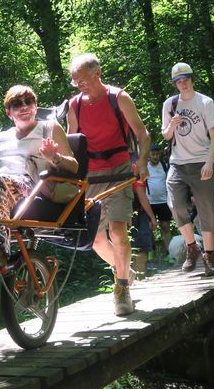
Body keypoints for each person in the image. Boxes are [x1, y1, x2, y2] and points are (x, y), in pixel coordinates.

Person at [0, 85, 78, 277]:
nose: (24, 107)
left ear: (35, 107)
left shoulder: (48, 128)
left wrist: (54, 156)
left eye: (29, 102)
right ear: (9, 113)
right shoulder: (1, 137)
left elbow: (74, 166)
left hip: (31, 185)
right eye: (17, 104)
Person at [67, 53, 150, 316]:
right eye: (76, 83)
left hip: (119, 170)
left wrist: (144, 162)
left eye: (83, 81)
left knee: (117, 231)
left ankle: (122, 287)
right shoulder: (74, 105)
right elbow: (71, 144)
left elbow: (142, 134)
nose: (80, 86)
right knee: (94, 239)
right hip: (90, 175)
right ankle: (124, 268)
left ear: (97, 74)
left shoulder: (119, 98)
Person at [161, 62, 214, 277]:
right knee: (176, 205)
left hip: (201, 162)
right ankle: (192, 247)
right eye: (178, 80)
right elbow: (166, 135)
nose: (182, 83)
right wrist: (172, 126)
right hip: (177, 163)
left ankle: (209, 255)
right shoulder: (170, 103)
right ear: (175, 83)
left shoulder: (205, 102)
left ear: (191, 78)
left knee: (206, 210)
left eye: (185, 78)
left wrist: (210, 162)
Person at [146, 143, 173, 253]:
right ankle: (152, 252)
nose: (155, 156)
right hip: (149, 202)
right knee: (149, 227)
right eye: (153, 154)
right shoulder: (144, 166)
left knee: (165, 226)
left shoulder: (164, 165)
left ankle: (170, 252)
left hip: (163, 201)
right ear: (149, 155)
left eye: (157, 154)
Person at [131, 180, 157, 280]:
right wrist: (152, 218)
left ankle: (129, 282)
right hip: (137, 216)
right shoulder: (136, 172)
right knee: (141, 250)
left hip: (120, 216)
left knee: (128, 250)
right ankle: (140, 278)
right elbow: (142, 197)